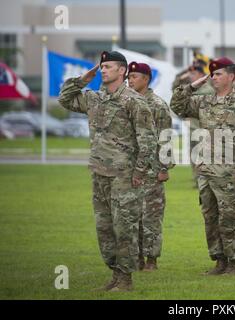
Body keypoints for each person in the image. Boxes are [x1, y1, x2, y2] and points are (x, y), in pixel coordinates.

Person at [58, 51, 159, 291]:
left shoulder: (134, 101)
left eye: (108, 67)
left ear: (122, 71)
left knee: (125, 227)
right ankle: (115, 274)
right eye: (101, 67)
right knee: (104, 228)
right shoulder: (94, 99)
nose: (103, 70)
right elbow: (64, 98)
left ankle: (125, 279)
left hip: (124, 175)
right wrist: (85, 77)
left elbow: (148, 140)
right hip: (99, 172)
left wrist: (139, 172)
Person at [170, 57, 235, 275]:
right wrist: (193, 85)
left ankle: (233, 262)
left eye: (218, 74)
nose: (214, 78)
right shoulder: (204, 101)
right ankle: (219, 260)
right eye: (212, 74)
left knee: (230, 218)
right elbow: (177, 105)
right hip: (206, 170)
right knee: (210, 218)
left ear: (231, 76)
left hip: (230, 173)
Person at [127, 61, 173, 271]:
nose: (130, 79)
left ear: (146, 79)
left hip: (152, 169)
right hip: (129, 168)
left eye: (135, 76)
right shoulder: (125, 101)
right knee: (131, 215)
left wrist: (163, 168)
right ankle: (135, 257)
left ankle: (151, 259)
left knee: (151, 216)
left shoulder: (157, 105)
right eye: (129, 76)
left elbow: (165, 137)